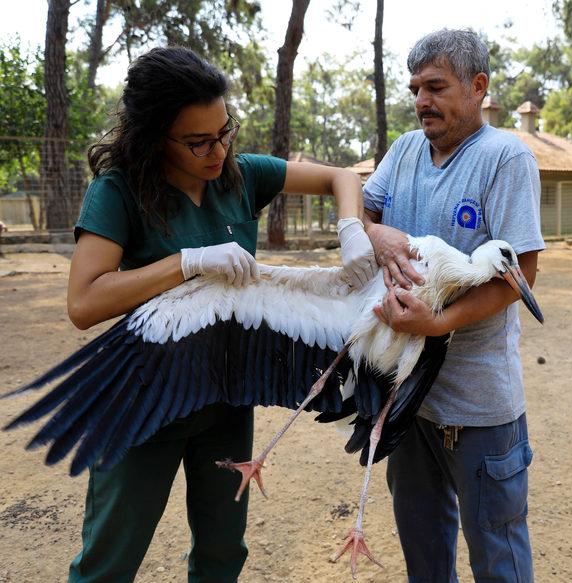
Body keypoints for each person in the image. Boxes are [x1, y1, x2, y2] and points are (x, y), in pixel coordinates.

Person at [66, 46, 377, 583]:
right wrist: (185, 263)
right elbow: (84, 303)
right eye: (198, 142)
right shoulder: (118, 192)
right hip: (146, 401)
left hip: (227, 400)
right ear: (153, 137)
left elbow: (341, 177)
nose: (218, 151)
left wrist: (351, 227)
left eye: (224, 131)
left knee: (221, 554)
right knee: (109, 561)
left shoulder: (239, 175)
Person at [362, 29, 545, 583]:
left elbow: (522, 274)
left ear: (478, 87)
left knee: (498, 554)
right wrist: (375, 237)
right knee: (424, 550)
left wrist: (436, 322)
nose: (421, 100)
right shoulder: (403, 151)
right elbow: (362, 214)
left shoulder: (505, 158)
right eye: (416, 87)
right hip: (408, 396)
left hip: (478, 404)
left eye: (436, 86)